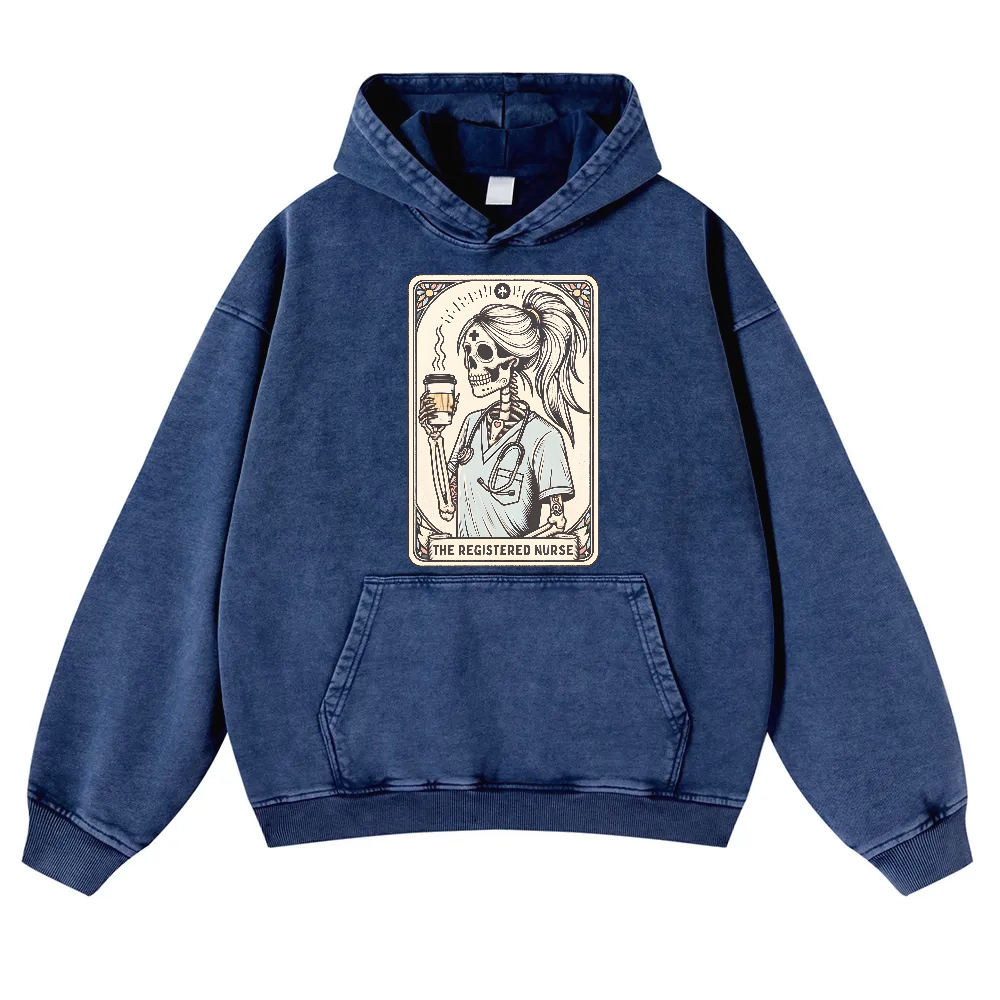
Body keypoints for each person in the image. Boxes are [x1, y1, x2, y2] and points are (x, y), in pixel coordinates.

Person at [419, 286, 588, 538]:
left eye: (484, 353)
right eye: (468, 353)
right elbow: (447, 507)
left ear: (512, 361)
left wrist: (511, 553)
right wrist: (434, 438)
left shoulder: (545, 437)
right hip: (465, 562)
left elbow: (557, 522)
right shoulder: (471, 423)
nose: (472, 366)